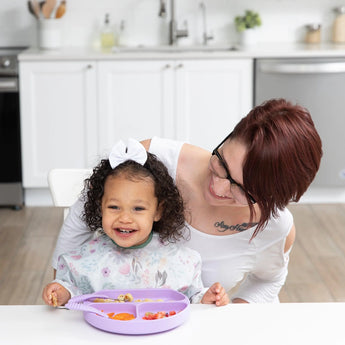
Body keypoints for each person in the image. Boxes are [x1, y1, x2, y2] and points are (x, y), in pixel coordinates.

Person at [51, 99, 322, 303]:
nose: (217, 187)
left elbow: (269, 281)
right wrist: (62, 292)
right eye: (222, 164)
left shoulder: (275, 229)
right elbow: (79, 223)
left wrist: (232, 317)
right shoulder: (153, 158)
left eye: (242, 190)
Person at [43, 139, 229, 307]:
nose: (125, 218)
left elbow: (191, 297)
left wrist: (206, 298)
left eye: (138, 209)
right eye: (114, 207)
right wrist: (62, 292)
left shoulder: (179, 260)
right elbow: (73, 292)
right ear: (101, 207)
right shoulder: (86, 258)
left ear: (158, 211)